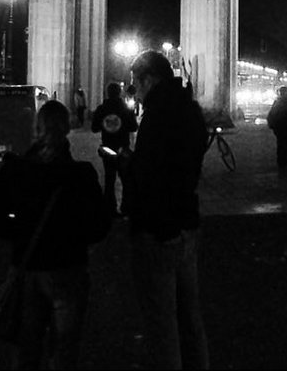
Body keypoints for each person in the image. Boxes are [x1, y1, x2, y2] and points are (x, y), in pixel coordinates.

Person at [0, 99, 111, 369]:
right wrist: (74, 237)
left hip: (27, 270)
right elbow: (101, 226)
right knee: (65, 350)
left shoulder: (16, 171)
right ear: (67, 129)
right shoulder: (81, 175)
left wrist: (22, 234)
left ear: (36, 129)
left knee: (27, 349)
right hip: (69, 270)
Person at [120, 49, 210, 370]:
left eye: (135, 83)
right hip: (186, 222)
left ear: (150, 79)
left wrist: (126, 166)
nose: (134, 91)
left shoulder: (157, 116)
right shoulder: (190, 110)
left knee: (162, 325)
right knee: (190, 318)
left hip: (158, 231)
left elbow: (150, 178)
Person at [92, 82, 139, 214]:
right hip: (122, 149)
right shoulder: (125, 109)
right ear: (120, 93)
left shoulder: (102, 109)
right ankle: (126, 208)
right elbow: (134, 127)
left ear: (107, 93)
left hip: (107, 149)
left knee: (109, 179)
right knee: (126, 179)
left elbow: (94, 128)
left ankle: (109, 208)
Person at [265, 85, 287, 169]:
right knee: (286, 144)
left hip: (279, 127)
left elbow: (271, 115)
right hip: (286, 127)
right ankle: (285, 160)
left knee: (281, 144)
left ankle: (281, 161)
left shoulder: (277, 102)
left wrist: (272, 125)